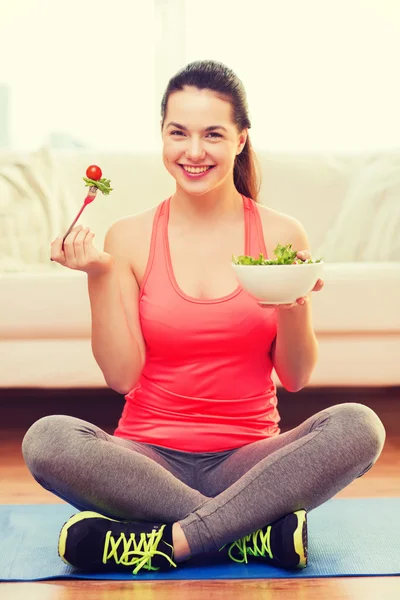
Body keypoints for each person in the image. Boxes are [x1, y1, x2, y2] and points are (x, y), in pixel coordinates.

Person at [22, 60, 386, 576]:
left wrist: (294, 306)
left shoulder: (283, 235)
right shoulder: (128, 237)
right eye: (179, 133)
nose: (194, 152)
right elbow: (122, 377)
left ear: (240, 139)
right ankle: (250, 534)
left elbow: (297, 377)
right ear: (163, 138)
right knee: (47, 438)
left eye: (213, 134)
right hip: (147, 460)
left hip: (253, 463)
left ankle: (168, 539)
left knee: (360, 426)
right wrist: (99, 274)